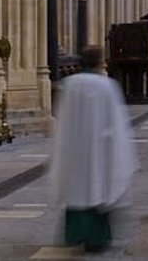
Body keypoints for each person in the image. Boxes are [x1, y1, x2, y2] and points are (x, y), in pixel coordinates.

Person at [50, 45, 136, 253]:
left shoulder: (70, 84)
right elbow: (117, 125)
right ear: (100, 62)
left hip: (75, 150)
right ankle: (96, 239)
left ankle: (76, 234)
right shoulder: (107, 86)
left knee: (77, 190)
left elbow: (62, 121)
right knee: (97, 191)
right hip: (100, 152)